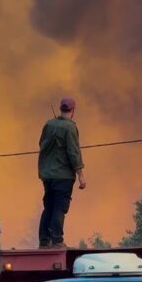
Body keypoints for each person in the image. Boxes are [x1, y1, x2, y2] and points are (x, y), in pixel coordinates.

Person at [38, 97, 86, 249]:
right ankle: (57, 240)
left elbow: (41, 144)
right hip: (63, 176)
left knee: (49, 207)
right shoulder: (70, 128)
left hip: (47, 175)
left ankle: (44, 241)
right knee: (60, 207)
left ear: (60, 108)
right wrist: (81, 176)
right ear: (73, 111)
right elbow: (73, 153)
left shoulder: (48, 124)